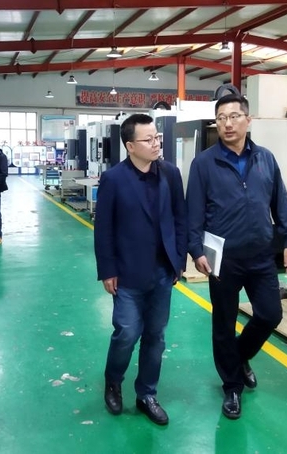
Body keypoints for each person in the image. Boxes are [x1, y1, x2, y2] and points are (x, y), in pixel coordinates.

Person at [186, 94, 287, 420]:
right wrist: (196, 251)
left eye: (234, 116)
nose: (228, 123)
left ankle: (238, 357)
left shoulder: (265, 159)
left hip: (261, 254)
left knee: (270, 314)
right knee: (223, 323)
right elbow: (193, 212)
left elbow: (281, 203)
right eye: (221, 118)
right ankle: (232, 387)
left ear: (248, 120)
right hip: (222, 257)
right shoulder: (204, 163)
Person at [94, 113, 187, 426]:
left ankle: (147, 393)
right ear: (130, 146)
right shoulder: (113, 179)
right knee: (127, 332)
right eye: (148, 140)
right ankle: (113, 381)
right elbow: (104, 229)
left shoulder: (170, 174)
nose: (156, 143)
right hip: (128, 273)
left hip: (163, 272)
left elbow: (180, 218)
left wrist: (179, 260)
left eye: (156, 137)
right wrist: (108, 270)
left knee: (155, 336)